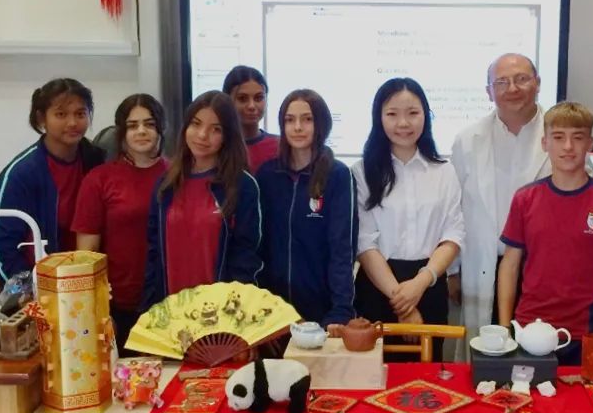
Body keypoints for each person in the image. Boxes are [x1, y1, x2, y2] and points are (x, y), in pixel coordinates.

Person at [497, 102, 593, 365]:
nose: (568, 147)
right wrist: (505, 329)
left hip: (589, 334)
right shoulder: (525, 199)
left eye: (578, 138)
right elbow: (509, 265)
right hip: (531, 330)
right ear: (545, 143)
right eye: (559, 137)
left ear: (590, 144)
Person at [352, 78, 464, 361]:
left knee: (428, 378)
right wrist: (403, 302)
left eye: (413, 113)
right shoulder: (361, 172)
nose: (403, 123)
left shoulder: (444, 171)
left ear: (426, 115)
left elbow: (453, 235)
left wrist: (420, 284)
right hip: (377, 287)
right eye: (392, 114)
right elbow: (365, 243)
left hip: (429, 284)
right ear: (379, 117)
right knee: (373, 375)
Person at [450, 53, 549, 356]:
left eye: (521, 79)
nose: (512, 88)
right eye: (502, 82)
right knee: (487, 355)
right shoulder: (468, 140)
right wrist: (452, 271)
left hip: (541, 268)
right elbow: (453, 209)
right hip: (484, 264)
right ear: (488, 92)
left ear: (538, 83)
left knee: (539, 353)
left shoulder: (560, 134)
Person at [141, 90, 262, 309]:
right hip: (171, 311)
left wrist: (233, 312)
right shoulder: (166, 184)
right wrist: (149, 310)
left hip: (220, 314)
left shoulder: (242, 186)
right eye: (196, 124)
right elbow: (153, 256)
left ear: (227, 136)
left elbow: (246, 259)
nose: (202, 135)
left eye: (216, 129)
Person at [72, 94, 168, 350]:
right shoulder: (99, 179)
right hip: (117, 306)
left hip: (170, 304)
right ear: (121, 132)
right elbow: (86, 255)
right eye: (132, 125)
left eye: (149, 124)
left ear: (161, 128)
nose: (141, 131)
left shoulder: (177, 175)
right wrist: (98, 310)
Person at [0, 78, 105, 283]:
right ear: (42, 119)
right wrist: (35, 288)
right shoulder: (20, 175)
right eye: (61, 114)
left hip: (84, 281)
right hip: (36, 287)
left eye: (80, 114)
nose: (72, 123)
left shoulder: (97, 160)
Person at [257, 89, 357, 329]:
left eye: (307, 119)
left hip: (321, 311)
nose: (297, 127)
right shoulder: (267, 175)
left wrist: (340, 311)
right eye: (289, 120)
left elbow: (342, 249)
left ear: (321, 123)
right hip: (271, 312)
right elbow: (258, 245)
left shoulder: (337, 175)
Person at [223, 65, 279, 173]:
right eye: (242, 99)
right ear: (227, 101)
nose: (252, 106)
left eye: (259, 98)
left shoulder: (280, 147)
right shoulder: (216, 146)